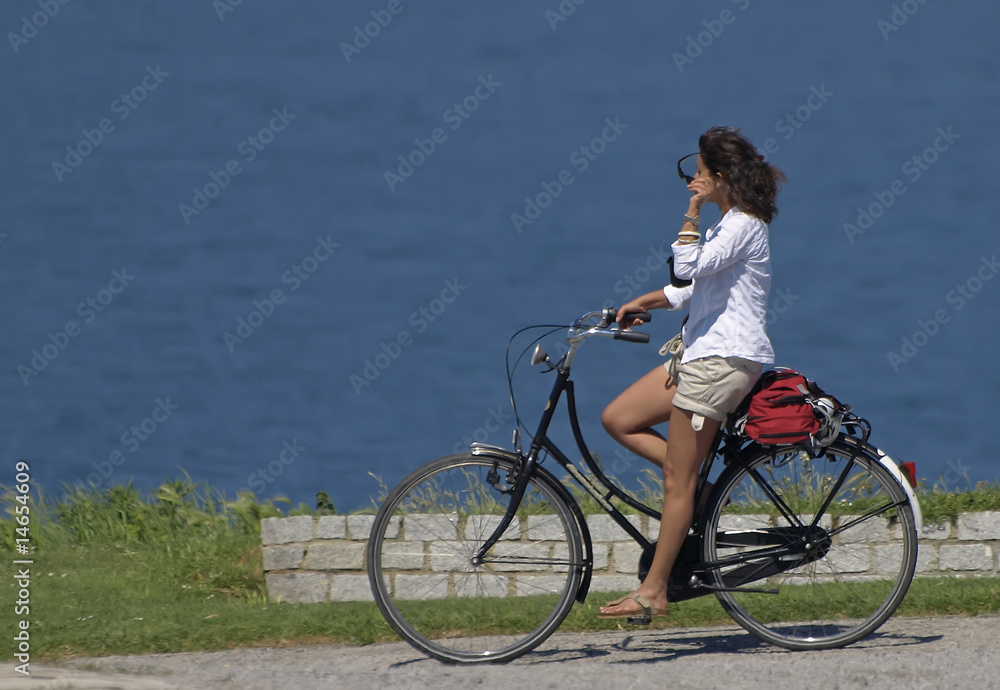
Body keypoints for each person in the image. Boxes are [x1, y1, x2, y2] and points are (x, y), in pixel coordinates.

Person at [597, 126, 785, 619]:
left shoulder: (742, 224)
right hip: (699, 355)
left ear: (719, 178)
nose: (691, 185)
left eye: (698, 177)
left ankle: (653, 591)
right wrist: (643, 301)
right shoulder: (730, 225)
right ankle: (699, 491)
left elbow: (689, 268)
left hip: (721, 362)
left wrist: (691, 213)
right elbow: (691, 288)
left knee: (676, 484)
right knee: (619, 417)